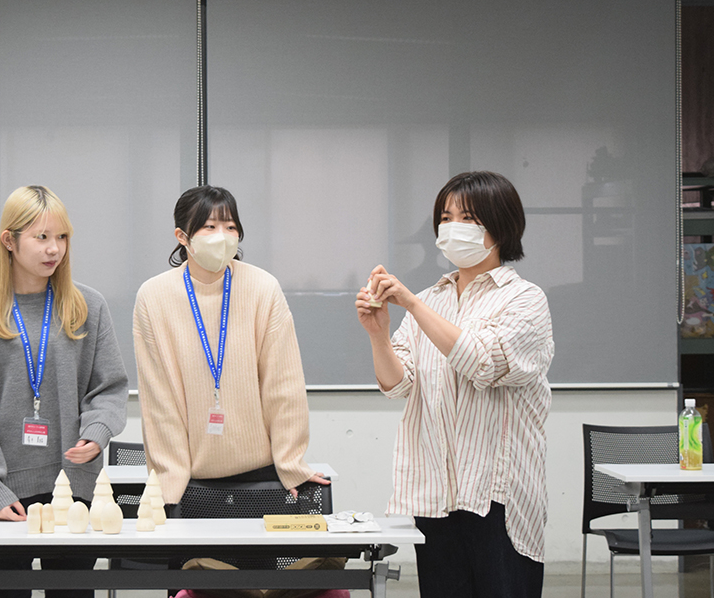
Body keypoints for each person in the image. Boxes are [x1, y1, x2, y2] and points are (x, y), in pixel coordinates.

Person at [355, 171, 554, 598]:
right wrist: (378, 334)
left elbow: (482, 362)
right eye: (446, 218)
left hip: (497, 493)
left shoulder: (524, 299)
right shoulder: (432, 299)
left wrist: (411, 303)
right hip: (436, 490)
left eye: (467, 218)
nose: (452, 228)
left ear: (500, 226)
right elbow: (397, 385)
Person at [0, 185, 128, 598]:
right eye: (42, 237)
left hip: (73, 486)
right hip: (2, 494)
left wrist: (97, 433)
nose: (54, 249)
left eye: (61, 237)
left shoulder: (88, 306)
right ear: (9, 241)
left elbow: (109, 387)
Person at [133, 185, 329, 508]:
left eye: (230, 227)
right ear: (182, 236)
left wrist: (291, 463)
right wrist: (169, 484)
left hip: (263, 477)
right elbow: (159, 400)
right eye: (209, 227)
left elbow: (284, 386)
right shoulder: (154, 297)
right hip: (188, 482)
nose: (222, 236)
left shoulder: (262, 288)